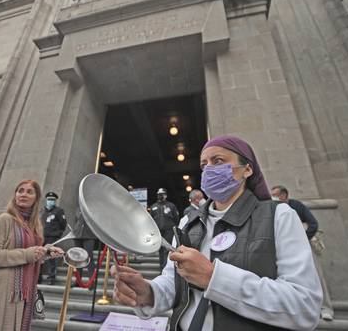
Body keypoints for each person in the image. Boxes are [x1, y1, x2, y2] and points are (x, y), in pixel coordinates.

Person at [112, 135, 323, 331]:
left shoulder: (279, 215)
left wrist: (214, 278)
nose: (209, 169)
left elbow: (305, 306)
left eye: (218, 161)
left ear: (247, 169)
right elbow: (173, 281)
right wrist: (148, 293)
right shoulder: (188, 221)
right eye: (204, 165)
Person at [0, 180, 63, 331]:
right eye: (20, 190)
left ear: (36, 198)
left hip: (24, 290)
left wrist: (45, 252)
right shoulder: (5, 219)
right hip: (3, 289)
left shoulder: (34, 226)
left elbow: (31, 254)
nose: (23, 194)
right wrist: (29, 253)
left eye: (29, 192)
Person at [271, 185, 334, 321]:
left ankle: (325, 308)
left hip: (304, 244)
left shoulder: (297, 206)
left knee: (316, 273)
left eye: (276, 194)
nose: (274, 197)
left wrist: (302, 239)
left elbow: (313, 224)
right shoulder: (274, 208)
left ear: (285, 195)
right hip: (286, 246)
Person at [40, 191, 67, 285]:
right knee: (40, 256)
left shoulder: (59, 211)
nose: (50, 201)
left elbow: (63, 224)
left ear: (55, 201)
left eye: (52, 200)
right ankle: (38, 277)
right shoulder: (42, 211)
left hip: (52, 238)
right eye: (49, 199)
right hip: (41, 237)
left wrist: (57, 234)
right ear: (46, 200)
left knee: (52, 257)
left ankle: (52, 277)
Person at [149, 188, 179, 270]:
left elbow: (176, 219)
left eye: (162, 194)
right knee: (161, 251)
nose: (160, 196)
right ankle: (162, 269)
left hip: (169, 231)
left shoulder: (171, 206)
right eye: (159, 194)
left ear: (165, 195)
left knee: (168, 250)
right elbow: (150, 220)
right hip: (158, 232)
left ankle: (167, 269)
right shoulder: (153, 206)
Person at [71, 209, 97, 286]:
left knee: (89, 257)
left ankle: (92, 281)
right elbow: (76, 221)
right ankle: (78, 281)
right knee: (78, 258)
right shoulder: (78, 209)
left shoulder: (92, 208)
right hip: (78, 235)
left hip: (89, 235)